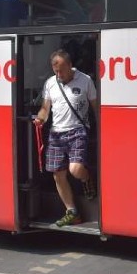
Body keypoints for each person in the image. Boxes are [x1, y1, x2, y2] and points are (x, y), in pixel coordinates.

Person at [33, 49, 98, 227]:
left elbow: (96, 107)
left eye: (62, 70)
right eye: (56, 71)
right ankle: (72, 212)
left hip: (77, 130)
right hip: (56, 133)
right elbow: (45, 109)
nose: (59, 74)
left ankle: (86, 179)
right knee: (58, 175)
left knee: (75, 170)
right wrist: (40, 118)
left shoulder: (85, 80)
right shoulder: (50, 83)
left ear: (70, 65)